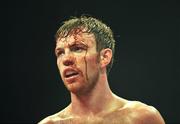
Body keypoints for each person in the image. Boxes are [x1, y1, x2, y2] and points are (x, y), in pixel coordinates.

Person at [39, 16, 165, 124]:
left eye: (78, 48)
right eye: (60, 53)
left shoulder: (141, 118)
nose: (66, 59)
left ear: (104, 57)